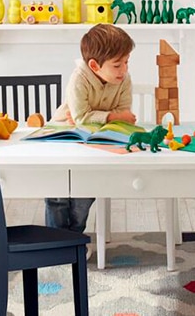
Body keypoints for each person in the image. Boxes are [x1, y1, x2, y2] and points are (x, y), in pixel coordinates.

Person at [45, 23, 137, 242]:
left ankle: (74, 238)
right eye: (117, 65)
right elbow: (82, 119)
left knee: (85, 192)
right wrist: (111, 116)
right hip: (63, 138)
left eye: (126, 62)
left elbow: (122, 114)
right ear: (95, 65)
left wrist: (92, 117)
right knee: (57, 195)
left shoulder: (124, 80)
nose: (123, 70)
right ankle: (56, 240)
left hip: (97, 143)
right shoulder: (79, 79)